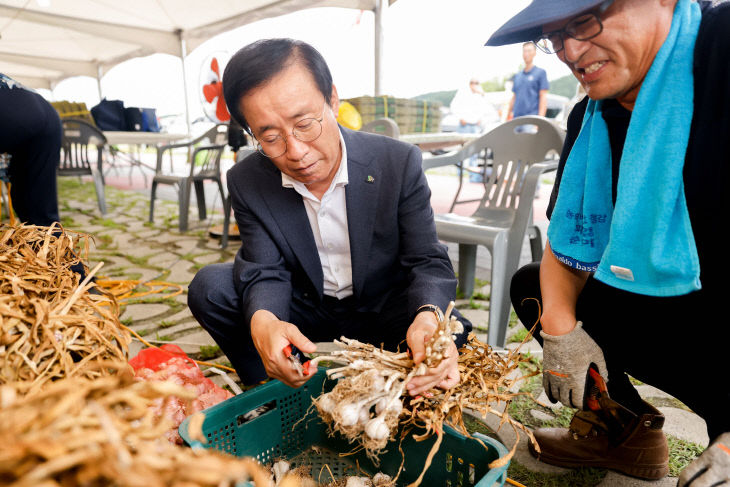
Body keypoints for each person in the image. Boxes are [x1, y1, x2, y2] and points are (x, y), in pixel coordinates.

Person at [488, 0, 730, 483]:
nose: (571, 51)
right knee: (536, 287)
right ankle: (623, 432)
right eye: (555, 37)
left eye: (584, 21)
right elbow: (564, 248)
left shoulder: (721, 45)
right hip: (682, 320)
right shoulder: (590, 119)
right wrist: (561, 335)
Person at [188, 38, 471, 393]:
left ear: (332, 100)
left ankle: (404, 380)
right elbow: (264, 270)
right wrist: (264, 321)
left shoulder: (396, 162)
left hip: (384, 307)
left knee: (448, 329)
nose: (296, 152)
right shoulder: (247, 180)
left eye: (305, 124)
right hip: (307, 307)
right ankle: (270, 386)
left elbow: (427, 260)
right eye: (271, 137)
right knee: (212, 288)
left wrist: (427, 315)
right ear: (251, 133)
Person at [0, 73, 61, 226]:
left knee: (31, 203)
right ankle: (49, 247)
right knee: (39, 214)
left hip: (14, 111)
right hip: (44, 110)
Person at [507, 42, 549, 121]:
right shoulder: (517, 76)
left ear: (534, 53)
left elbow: (543, 97)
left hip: (532, 119)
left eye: (529, 51)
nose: (526, 53)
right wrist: (507, 117)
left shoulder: (540, 73)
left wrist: (540, 121)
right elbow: (514, 97)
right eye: (524, 51)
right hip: (516, 119)